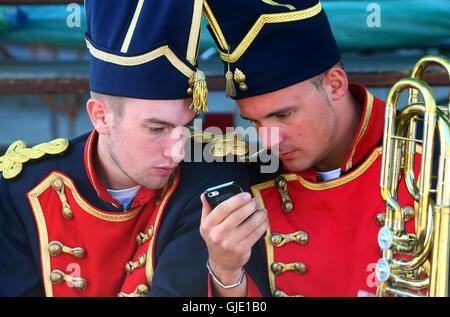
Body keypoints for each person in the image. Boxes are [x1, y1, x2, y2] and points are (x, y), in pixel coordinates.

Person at [0, 0, 249, 297]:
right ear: (101, 116)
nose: (178, 151)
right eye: (156, 129)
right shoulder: (20, 188)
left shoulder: (209, 178)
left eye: (186, 127)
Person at [199, 0, 420, 297]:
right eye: (254, 122)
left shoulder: (432, 156)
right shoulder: (249, 183)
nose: (268, 141)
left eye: (283, 115)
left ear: (335, 84)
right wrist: (225, 272)